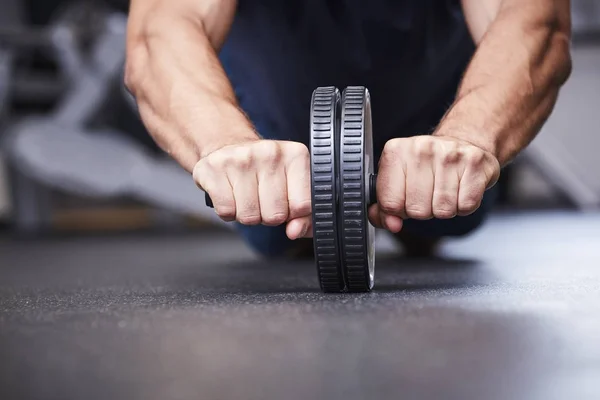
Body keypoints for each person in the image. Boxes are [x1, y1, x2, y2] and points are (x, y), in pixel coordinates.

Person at [125, 0, 572, 258]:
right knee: (279, 238)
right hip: (275, 135)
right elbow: (160, 30)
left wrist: (469, 137)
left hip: (434, 113)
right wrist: (225, 144)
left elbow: (535, 22)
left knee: (440, 223)